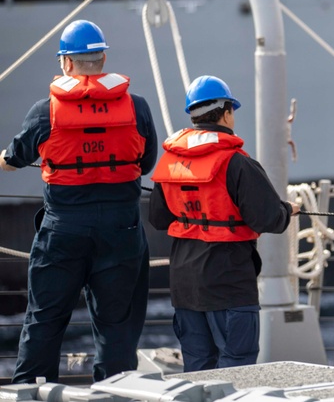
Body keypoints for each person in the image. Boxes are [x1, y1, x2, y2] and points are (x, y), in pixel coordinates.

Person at [0, 20, 157, 383]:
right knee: (117, 327)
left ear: (67, 63)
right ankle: (114, 392)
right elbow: (145, 164)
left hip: (63, 231)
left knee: (44, 319)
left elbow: (13, 159)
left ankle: (30, 392)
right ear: (102, 58)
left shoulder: (45, 111)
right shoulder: (137, 107)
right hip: (122, 230)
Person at [148, 75, 299, 371]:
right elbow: (268, 218)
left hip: (185, 284)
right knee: (237, 366)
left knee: (197, 367)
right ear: (227, 113)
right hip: (229, 284)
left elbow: (157, 218)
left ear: (194, 115)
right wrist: (287, 209)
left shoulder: (171, 161)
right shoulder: (238, 162)